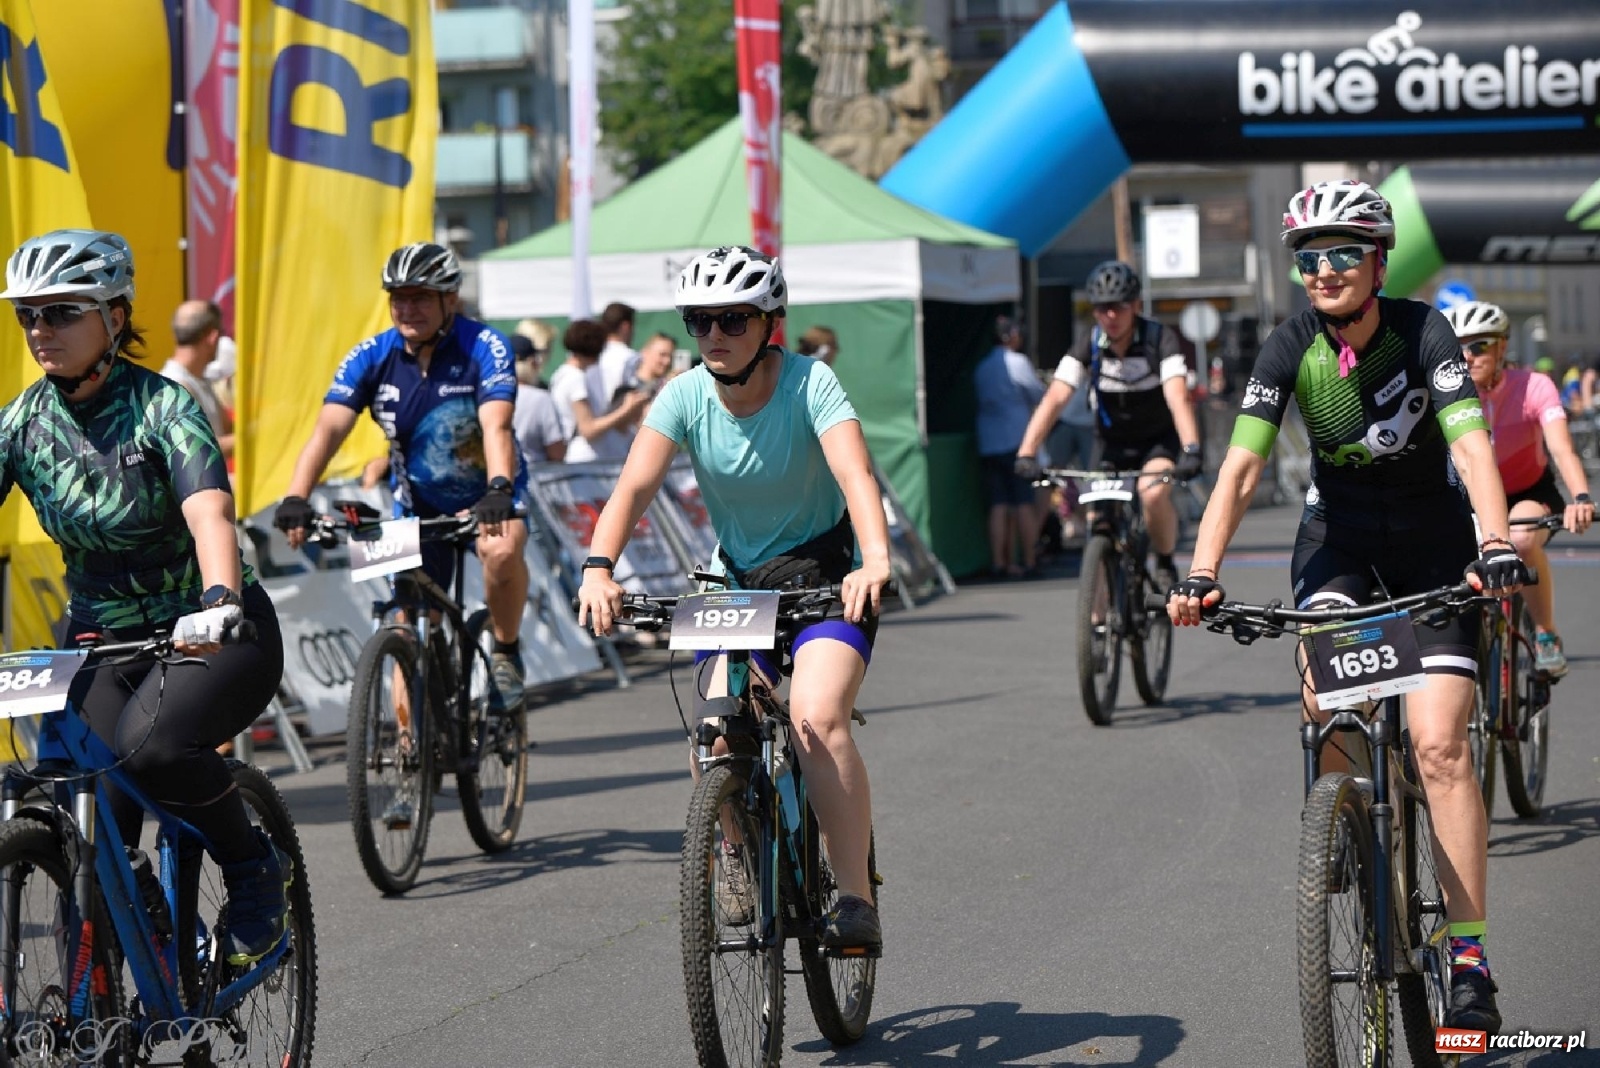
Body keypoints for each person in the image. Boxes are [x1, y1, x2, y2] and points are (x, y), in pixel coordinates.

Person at [1168, 180, 1528, 1034]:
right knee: (1326, 696)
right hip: (1340, 544)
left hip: (1437, 549)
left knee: (1439, 744)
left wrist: (1495, 540)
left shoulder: (1423, 331)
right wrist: (1201, 569)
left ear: (1376, 261)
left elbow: (1472, 445)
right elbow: (1244, 468)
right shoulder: (1288, 345)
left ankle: (1469, 955)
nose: (1322, 270)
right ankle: (1345, 830)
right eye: (1307, 257)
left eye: (1340, 254)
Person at [576, 246, 891, 952]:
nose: (714, 334)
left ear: (770, 323)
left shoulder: (811, 384)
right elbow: (631, 488)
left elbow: (855, 473)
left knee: (814, 720)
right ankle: (738, 851)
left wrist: (875, 560)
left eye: (732, 319)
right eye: (699, 321)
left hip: (823, 575)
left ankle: (854, 899)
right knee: (713, 732)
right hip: (735, 581)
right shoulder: (684, 395)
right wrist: (599, 567)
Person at [0, 229, 290, 964]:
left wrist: (220, 596)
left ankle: (255, 869)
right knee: (75, 810)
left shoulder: (165, 408)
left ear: (115, 318)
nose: (40, 330)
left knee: (151, 750)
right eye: (27, 314)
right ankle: (137, 929)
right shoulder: (22, 423)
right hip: (101, 635)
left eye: (61, 312)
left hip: (211, 630)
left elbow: (209, 515)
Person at [271, 241, 531, 716]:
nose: (408, 309)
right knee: (403, 622)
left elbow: (497, 425)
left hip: (488, 493)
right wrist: (296, 497)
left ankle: (507, 651)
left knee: (501, 549)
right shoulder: (371, 356)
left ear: (449, 300)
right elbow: (328, 428)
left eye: (421, 297)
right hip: (415, 502)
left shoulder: (484, 345)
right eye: (399, 298)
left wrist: (499, 489)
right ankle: (410, 752)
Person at [1014, 261, 1202, 587]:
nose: (1110, 316)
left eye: (1119, 307)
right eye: (1102, 308)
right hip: (1110, 444)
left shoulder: (1160, 339)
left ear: (1136, 306)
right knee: (1097, 522)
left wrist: (1191, 447)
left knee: (1153, 493)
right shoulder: (1089, 344)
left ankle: (1166, 560)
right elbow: (1055, 397)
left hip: (1156, 441)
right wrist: (1027, 452)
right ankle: (1100, 623)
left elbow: (1177, 396)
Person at [1445, 300, 1593, 677]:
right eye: (1457, 347)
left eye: (1479, 345)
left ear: (1502, 347)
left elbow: (1561, 448)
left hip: (1527, 490)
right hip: (1471, 495)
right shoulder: (1446, 393)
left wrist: (1580, 497)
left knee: (1522, 538)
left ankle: (1545, 634)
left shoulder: (1534, 386)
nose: (1467, 355)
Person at [974, 315, 1045, 577]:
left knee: (998, 504)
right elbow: (1039, 395)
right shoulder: (1018, 362)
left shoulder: (981, 367)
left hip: (989, 443)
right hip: (1017, 443)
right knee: (1023, 502)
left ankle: (999, 561)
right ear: (1010, 336)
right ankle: (1029, 560)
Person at [550, 319, 651, 463]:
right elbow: (588, 429)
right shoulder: (576, 378)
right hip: (582, 459)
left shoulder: (561, 374)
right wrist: (626, 409)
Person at [161, 299, 235, 459]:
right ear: (213, 337)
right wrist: (257, 436)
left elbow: (227, 428)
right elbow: (197, 448)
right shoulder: (176, 385)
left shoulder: (199, 379)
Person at [512, 333, 566, 467]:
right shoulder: (541, 399)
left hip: (497, 479)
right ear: (530, 363)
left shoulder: (486, 397)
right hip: (535, 479)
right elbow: (556, 452)